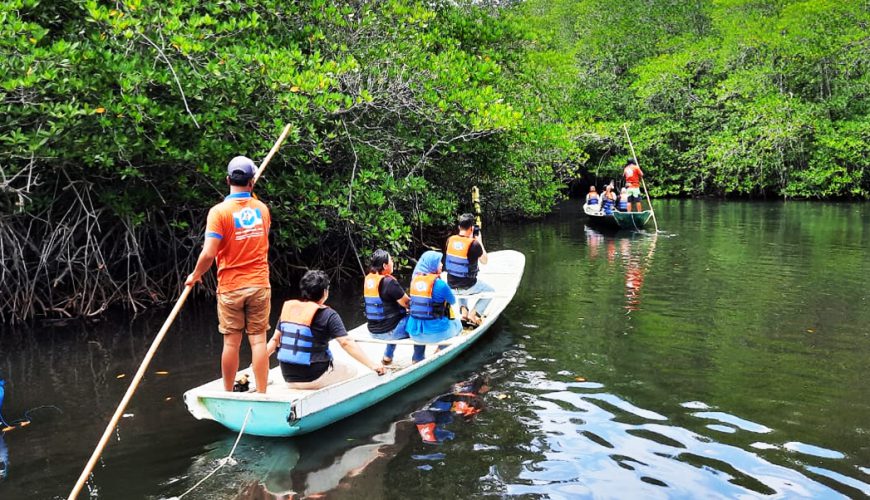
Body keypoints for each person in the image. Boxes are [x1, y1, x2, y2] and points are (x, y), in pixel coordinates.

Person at [186, 156, 271, 393]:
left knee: (231, 343)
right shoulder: (262, 210)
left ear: (227, 180)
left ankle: (227, 391)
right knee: (258, 341)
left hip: (231, 287)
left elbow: (208, 254)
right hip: (258, 284)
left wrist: (195, 275)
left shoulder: (218, 212)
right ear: (252, 182)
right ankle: (262, 393)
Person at [267, 270, 385, 390]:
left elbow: (274, 340)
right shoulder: (328, 315)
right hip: (314, 377)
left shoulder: (289, 311)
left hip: (288, 377)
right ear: (325, 292)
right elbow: (346, 342)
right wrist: (373, 365)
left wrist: (258, 360)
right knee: (352, 371)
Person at [364, 250, 425, 364]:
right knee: (420, 321)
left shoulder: (368, 279)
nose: (393, 262)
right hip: (389, 332)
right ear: (384, 265)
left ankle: (387, 357)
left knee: (394, 319)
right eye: (391, 260)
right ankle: (418, 359)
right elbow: (408, 304)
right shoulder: (389, 282)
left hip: (373, 331)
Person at [445, 213, 493, 326]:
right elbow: (485, 261)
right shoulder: (474, 244)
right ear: (471, 228)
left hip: (451, 285)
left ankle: (464, 312)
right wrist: (479, 241)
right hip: (468, 286)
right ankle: (474, 314)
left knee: (460, 279)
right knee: (490, 292)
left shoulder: (450, 240)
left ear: (459, 227)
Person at [405, 251, 463, 344]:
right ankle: (441, 349)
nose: (442, 264)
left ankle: (417, 357)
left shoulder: (414, 281)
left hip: (414, 333)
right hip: (435, 334)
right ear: (433, 265)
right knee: (458, 324)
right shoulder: (441, 284)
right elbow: (452, 301)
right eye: (439, 262)